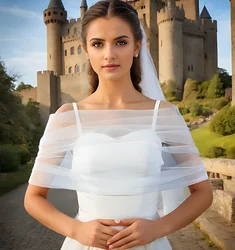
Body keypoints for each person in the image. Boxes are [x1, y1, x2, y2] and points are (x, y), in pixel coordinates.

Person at [24, 0, 213, 249]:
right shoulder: (68, 117)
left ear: (137, 47)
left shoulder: (164, 115)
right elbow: (33, 198)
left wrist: (158, 228)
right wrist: (76, 229)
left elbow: (203, 193)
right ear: (85, 49)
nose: (109, 54)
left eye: (120, 42)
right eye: (98, 44)